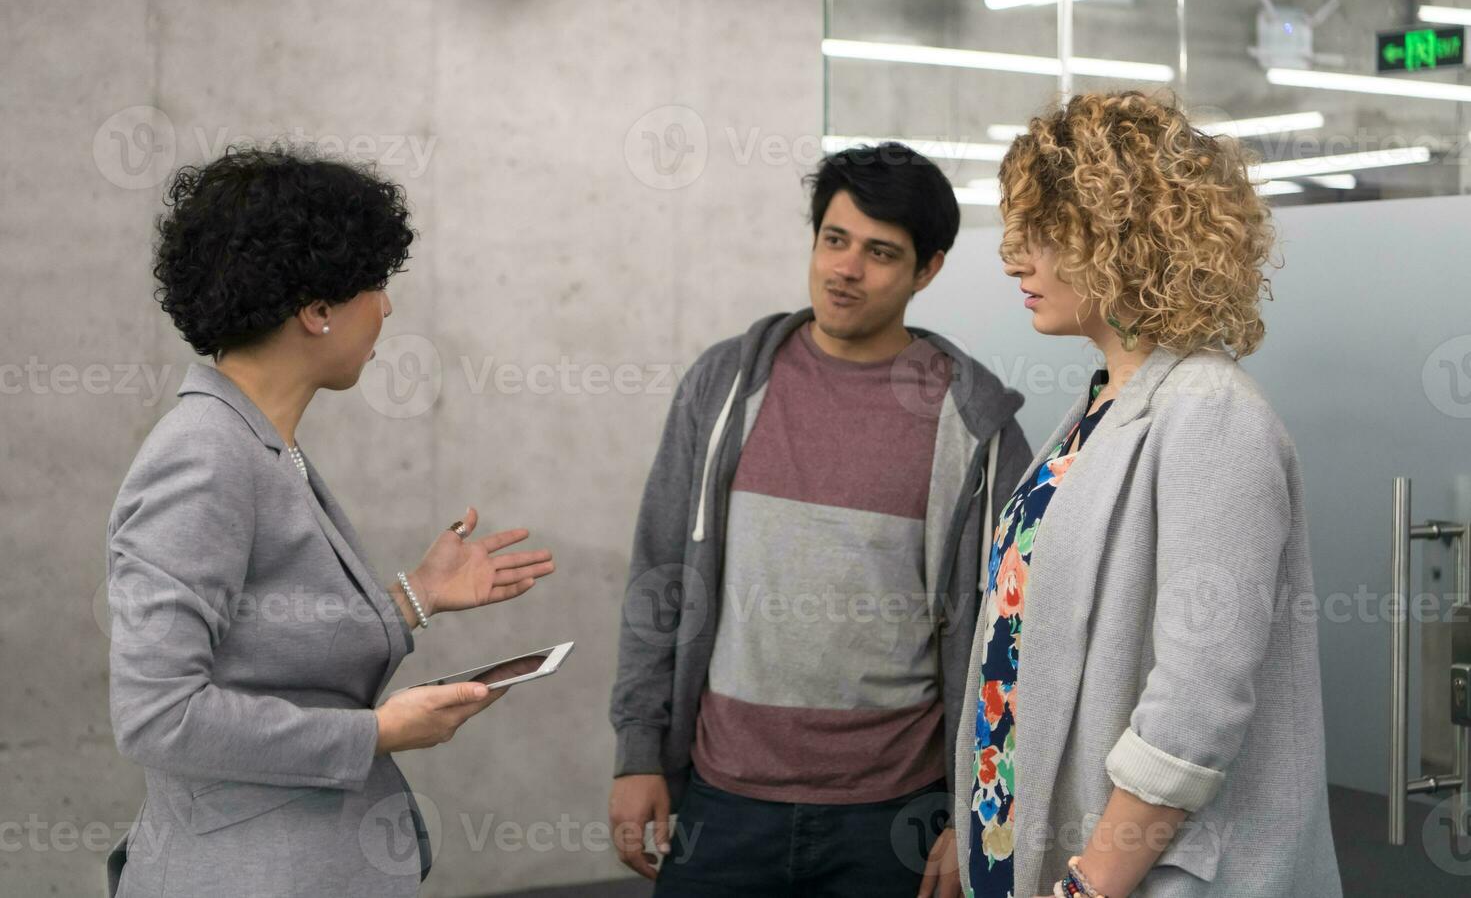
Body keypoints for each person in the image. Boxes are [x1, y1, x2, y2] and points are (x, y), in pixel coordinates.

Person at [104, 146, 556, 897]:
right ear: (316, 310)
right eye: (375, 285)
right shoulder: (205, 459)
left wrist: (416, 595)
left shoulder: (259, 445)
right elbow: (157, 717)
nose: (386, 308)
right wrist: (377, 733)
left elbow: (271, 649)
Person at [609, 142, 1033, 897]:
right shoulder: (723, 386)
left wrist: (976, 810)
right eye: (833, 241)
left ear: (926, 269)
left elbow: (1013, 635)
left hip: (895, 811)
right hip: (722, 795)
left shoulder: (971, 423)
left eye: (879, 253)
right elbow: (660, 572)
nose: (845, 268)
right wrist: (639, 750)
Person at [960, 91, 1341, 897]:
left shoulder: (1211, 414)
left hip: (1127, 875)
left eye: (1045, 234)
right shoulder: (1101, 405)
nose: (1012, 259)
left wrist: (1091, 883)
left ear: (1124, 241)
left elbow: (1195, 703)